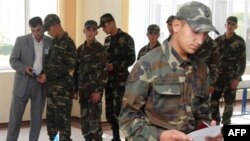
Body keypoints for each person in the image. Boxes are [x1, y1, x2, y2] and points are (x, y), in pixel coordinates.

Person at [119, 1, 219, 141]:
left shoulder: (202, 69)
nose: (200, 40)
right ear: (176, 25)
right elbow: (126, 118)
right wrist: (159, 136)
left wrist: (207, 130)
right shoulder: (147, 65)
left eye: (205, 34)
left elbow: (202, 113)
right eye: (196, 31)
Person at [6, 16, 52, 141]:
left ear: (43, 27)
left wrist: (46, 75)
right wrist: (24, 69)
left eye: (38, 30)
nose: (36, 33)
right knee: (15, 120)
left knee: (37, 121)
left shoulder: (50, 42)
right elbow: (13, 60)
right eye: (33, 31)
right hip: (22, 84)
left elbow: (53, 64)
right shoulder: (21, 40)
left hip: (40, 85)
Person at [37, 14, 77, 141]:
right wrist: (42, 74)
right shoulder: (54, 42)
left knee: (62, 126)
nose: (49, 33)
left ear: (56, 26)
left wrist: (47, 75)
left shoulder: (68, 43)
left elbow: (70, 66)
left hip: (62, 92)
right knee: (52, 126)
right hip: (51, 91)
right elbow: (49, 64)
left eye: (49, 30)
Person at [98, 13, 136, 141]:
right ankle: (116, 138)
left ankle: (128, 138)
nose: (103, 29)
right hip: (109, 82)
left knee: (122, 112)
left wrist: (115, 65)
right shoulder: (107, 40)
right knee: (110, 112)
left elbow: (132, 58)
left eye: (104, 26)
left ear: (112, 23)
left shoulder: (127, 38)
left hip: (121, 82)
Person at [73, 20, 108, 141]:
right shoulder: (80, 50)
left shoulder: (100, 49)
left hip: (94, 93)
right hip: (83, 92)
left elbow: (104, 72)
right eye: (88, 29)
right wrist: (75, 89)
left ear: (97, 32)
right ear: (84, 31)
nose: (91, 32)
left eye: (93, 30)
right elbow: (76, 70)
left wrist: (99, 91)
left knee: (94, 124)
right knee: (85, 125)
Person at [211, 16, 246, 125]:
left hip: (231, 78)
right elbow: (212, 61)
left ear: (236, 26)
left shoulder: (240, 42)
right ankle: (215, 124)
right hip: (218, 78)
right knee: (213, 102)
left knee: (229, 103)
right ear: (225, 25)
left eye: (233, 24)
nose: (230, 26)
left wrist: (237, 78)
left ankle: (226, 124)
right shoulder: (218, 40)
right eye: (229, 23)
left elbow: (242, 62)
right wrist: (211, 80)